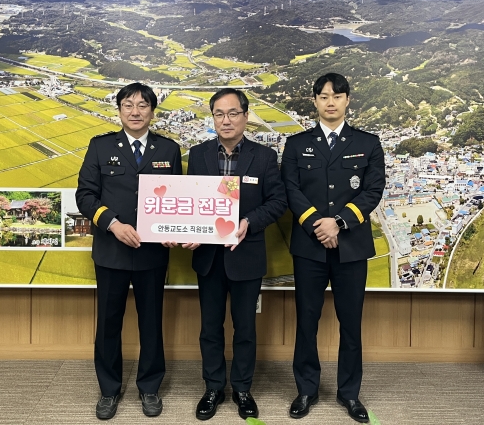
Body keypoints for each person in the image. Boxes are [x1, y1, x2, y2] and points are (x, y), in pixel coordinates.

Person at [281, 73, 385, 423]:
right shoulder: (296, 144)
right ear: (314, 101)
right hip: (309, 247)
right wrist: (319, 224)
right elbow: (291, 190)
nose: (330, 102)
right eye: (324, 96)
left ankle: (349, 393)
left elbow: (373, 190)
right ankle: (306, 390)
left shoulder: (368, 143)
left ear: (347, 100)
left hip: (351, 247)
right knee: (306, 321)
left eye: (337, 96)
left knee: (351, 323)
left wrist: (338, 222)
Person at [76, 82, 182, 420]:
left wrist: (172, 229)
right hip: (112, 251)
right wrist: (113, 224)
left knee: (151, 322)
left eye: (142, 105)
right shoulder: (100, 146)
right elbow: (85, 196)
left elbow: (177, 198)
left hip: (153, 254)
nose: (135, 112)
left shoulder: (169, 149)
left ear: (152, 111)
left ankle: (149, 388)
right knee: (108, 323)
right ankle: (109, 390)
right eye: (128, 105)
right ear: (119, 110)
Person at [182, 88, 287, 421]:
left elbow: (278, 201)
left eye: (232, 113)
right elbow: (190, 200)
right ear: (212, 117)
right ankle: (213, 388)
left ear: (245, 115)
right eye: (219, 114)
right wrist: (191, 230)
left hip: (246, 255)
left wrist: (248, 222)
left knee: (245, 329)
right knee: (210, 328)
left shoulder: (264, 156)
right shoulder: (198, 154)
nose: (225, 120)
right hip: (209, 258)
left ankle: (242, 389)